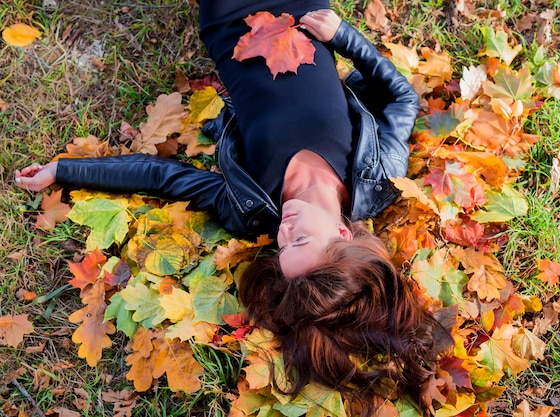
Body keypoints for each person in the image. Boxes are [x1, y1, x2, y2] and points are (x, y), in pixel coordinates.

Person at [15, 1, 443, 414]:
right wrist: (345, 38)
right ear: (343, 234)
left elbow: (162, 178)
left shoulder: (249, 208)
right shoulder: (378, 176)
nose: (284, 231)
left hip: (229, 25)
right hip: (300, 11)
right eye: (302, 239)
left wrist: (64, 169)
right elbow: (402, 99)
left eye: (284, 247)